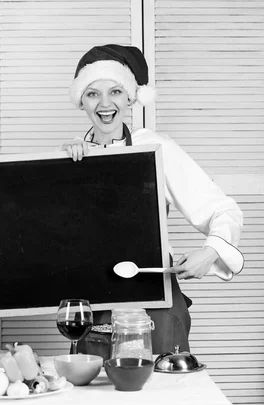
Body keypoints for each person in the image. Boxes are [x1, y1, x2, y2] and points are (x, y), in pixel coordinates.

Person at [61, 44, 244, 353]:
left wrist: (211, 251)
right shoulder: (71, 155)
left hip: (155, 300)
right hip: (94, 304)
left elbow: (224, 210)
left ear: (131, 97)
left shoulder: (156, 148)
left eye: (115, 92)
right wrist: (58, 172)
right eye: (93, 94)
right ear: (81, 101)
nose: (105, 104)